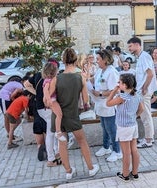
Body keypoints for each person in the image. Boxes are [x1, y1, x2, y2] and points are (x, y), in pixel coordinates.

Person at [51, 48, 99, 179]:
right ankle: (90, 168)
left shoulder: (56, 79)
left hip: (58, 116)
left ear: (63, 60)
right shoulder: (80, 78)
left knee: (62, 144)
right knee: (82, 141)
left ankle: (68, 171)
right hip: (73, 114)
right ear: (76, 60)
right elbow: (85, 101)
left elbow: (49, 100)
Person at [107, 73, 144, 182]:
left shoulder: (121, 97)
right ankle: (135, 173)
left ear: (125, 85)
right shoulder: (137, 95)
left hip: (123, 127)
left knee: (126, 152)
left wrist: (113, 92)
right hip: (133, 125)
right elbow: (141, 109)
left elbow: (108, 103)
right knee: (134, 150)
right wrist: (133, 116)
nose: (118, 83)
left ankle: (125, 174)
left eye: (120, 82)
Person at [24, 58, 60, 166]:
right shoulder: (52, 79)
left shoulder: (38, 75)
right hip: (48, 107)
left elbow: (26, 84)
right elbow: (48, 95)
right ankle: (51, 157)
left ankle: (55, 153)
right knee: (51, 132)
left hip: (39, 107)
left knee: (51, 131)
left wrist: (35, 93)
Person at [89, 49, 122, 162]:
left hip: (109, 104)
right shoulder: (100, 70)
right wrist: (87, 80)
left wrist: (101, 93)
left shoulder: (111, 72)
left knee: (111, 129)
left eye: (98, 59)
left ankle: (117, 151)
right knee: (104, 127)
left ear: (105, 60)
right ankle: (106, 147)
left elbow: (115, 90)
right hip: (100, 103)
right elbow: (95, 80)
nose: (96, 61)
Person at [127, 37, 157, 148]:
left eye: (130, 46)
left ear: (137, 45)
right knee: (146, 114)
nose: (129, 48)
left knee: (145, 116)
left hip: (144, 91)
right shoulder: (141, 57)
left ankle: (148, 140)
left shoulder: (144, 57)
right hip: (142, 91)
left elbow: (150, 74)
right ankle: (150, 137)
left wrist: (144, 88)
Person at [0, 76, 27, 141]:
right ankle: (10, 135)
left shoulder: (14, 83)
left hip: (4, 99)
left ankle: (10, 133)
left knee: (14, 118)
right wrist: (14, 101)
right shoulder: (20, 86)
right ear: (22, 81)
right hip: (4, 99)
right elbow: (12, 96)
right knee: (6, 117)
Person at [42, 62, 65, 142]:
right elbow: (45, 91)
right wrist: (48, 100)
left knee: (58, 114)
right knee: (59, 114)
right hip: (52, 100)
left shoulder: (47, 80)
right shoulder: (48, 81)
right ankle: (58, 131)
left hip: (52, 99)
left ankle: (58, 131)